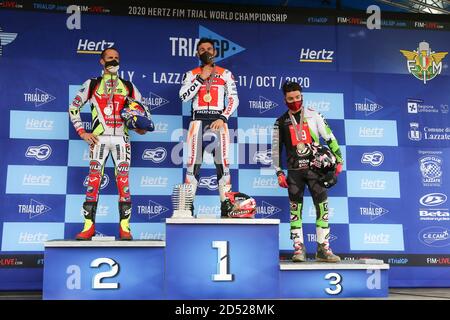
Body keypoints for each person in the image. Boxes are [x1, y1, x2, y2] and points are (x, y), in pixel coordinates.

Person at [69, 47, 151, 240]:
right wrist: (82, 132)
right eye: (109, 58)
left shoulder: (128, 86)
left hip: (122, 140)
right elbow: (73, 107)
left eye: (116, 58)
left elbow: (143, 112)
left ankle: (125, 228)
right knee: (94, 182)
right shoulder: (92, 84)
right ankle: (88, 227)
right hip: (99, 139)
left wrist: (140, 126)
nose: (113, 61)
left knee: (124, 183)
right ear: (101, 61)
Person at [272, 81, 343, 262]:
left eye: (297, 97)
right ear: (284, 100)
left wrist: (339, 160)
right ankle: (298, 248)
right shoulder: (280, 122)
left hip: (316, 170)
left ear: (301, 96)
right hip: (294, 172)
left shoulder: (314, 115)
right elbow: (275, 150)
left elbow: (329, 137)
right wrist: (279, 172)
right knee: (295, 211)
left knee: (322, 208)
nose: (295, 101)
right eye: (290, 98)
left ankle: (323, 249)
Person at [179, 38, 239, 216]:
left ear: (214, 52)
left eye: (209, 49)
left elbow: (234, 99)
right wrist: (200, 78)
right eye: (202, 49)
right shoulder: (190, 74)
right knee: (192, 165)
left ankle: (226, 205)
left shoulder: (225, 74)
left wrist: (223, 117)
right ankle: (187, 208)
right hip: (197, 122)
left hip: (218, 122)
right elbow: (184, 97)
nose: (206, 52)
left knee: (223, 165)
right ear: (197, 53)